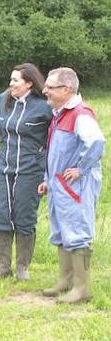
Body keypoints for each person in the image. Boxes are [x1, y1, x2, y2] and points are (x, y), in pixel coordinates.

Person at [39, 67, 105, 303]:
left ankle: (82, 289)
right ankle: (65, 281)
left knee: (77, 232)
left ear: (66, 89)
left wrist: (81, 168)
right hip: (59, 186)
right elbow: (56, 152)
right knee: (61, 231)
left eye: (50, 86)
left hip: (76, 186)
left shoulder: (80, 113)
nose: (44, 90)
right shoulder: (60, 113)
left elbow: (96, 141)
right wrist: (47, 180)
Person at [0, 63, 53, 282]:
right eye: (11, 79)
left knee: (24, 216)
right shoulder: (5, 100)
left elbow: (55, 132)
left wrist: (43, 156)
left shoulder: (44, 106)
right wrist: (1, 129)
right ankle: (2, 266)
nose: (11, 83)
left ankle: (22, 267)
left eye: (16, 80)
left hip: (30, 170)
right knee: (0, 214)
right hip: (3, 169)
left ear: (29, 83)